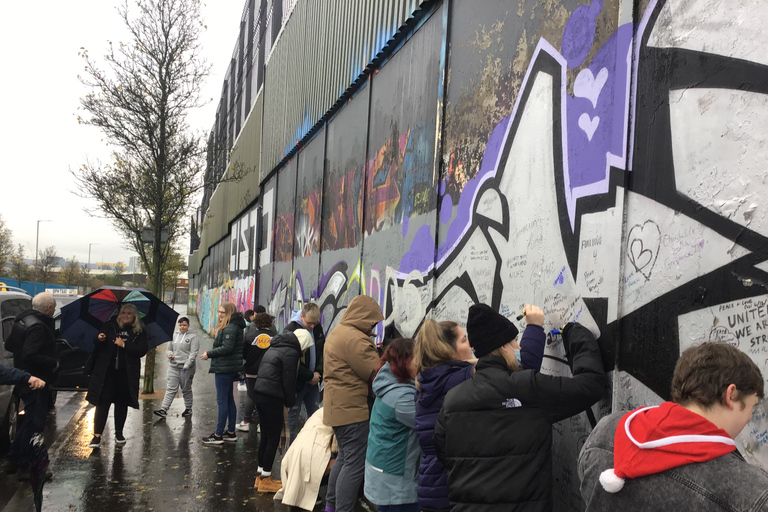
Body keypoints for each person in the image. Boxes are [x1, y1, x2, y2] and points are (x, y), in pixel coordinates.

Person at [433, 306, 605, 512]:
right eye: (515, 341)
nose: (519, 348)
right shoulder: (526, 388)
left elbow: (444, 453)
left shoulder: (452, 399)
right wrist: (574, 333)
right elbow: (590, 386)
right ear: (503, 347)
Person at [579, 342, 768, 511]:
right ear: (731, 395)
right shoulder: (751, 492)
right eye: (752, 406)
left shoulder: (607, 429)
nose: (750, 416)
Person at [323, 294, 384, 512]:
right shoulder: (356, 340)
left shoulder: (340, 331)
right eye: (372, 323)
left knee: (344, 459)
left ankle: (331, 507)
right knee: (354, 464)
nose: (373, 327)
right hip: (353, 412)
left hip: (339, 409)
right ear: (364, 318)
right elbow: (377, 374)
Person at [252, 328, 314, 493]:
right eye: (306, 348)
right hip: (273, 397)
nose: (305, 351)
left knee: (265, 436)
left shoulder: (275, 346)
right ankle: (266, 480)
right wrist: (290, 402)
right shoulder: (291, 353)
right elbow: (288, 381)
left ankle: (260, 477)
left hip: (260, 393)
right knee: (273, 438)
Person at [364, 338, 420, 512]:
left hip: (385, 475)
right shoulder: (401, 396)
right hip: (396, 482)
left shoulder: (389, 382)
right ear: (405, 363)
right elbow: (437, 423)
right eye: (418, 358)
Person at [7, 292, 59, 476]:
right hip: (35, 381)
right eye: (53, 307)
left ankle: (13, 460)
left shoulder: (22, 321)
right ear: (49, 308)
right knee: (34, 424)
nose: (53, 310)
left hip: (23, 377)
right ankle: (26, 465)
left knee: (28, 421)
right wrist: (52, 362)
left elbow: (9, 346)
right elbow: (30, 354)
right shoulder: (38, 327)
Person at [86, 303, 149, 449]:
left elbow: (142, 350)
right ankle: (96, 436)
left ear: (134, 316)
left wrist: (125, 345)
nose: (125, 316)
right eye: (123, 313)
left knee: (121, 403)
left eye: (129, 313)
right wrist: (99, 338)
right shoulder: (109, 325)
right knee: (103, 403)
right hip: (107, 373)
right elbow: (96, 344)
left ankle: (119, 433)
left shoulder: (139, 330)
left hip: (125, 373)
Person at [200, 302, 245, 445]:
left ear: (229, 313)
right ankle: (231, 432)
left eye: (222, 312)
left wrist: (209, 354)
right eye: (219, 312)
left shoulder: (230, 328)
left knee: (222, 401)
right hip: (229, 368)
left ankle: (218, 435)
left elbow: (227, 348)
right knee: (229, 399)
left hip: (224, 368)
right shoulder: (233, 326)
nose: (219, 314)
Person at [276, 407, 338, 510]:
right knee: (342, 464)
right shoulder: (340, 414)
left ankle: (307, 494)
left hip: (292, 457)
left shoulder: (321, 411)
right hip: (310, 459)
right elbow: (337, 448)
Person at [284, 302, 325, 442]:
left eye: (314, 323)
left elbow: (321, 353)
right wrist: (309, 375)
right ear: (301, 316)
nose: (312, 326)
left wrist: (318, 373)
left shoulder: (318, 328)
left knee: (316, 418)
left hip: (314, 382)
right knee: (292, 420)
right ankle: (290, 453)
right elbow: (291, 361)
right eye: (309, 323)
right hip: (297, 383)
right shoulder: (291, 330)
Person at [237, 311, 276, 432]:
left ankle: (246, 422)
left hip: (251, 370)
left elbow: (243, 353)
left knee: (251, 396)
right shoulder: (275, 336)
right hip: (269, 371)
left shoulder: (249, 335)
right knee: (265, 397)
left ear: (256, 323)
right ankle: (262, 424)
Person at [154, 317, 199, 418]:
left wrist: (187, 365)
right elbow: (169, 349)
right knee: (171, 388)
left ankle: (188, 408)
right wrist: (169, 354)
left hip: (186, 369)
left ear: (188, 325)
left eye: (184, 325)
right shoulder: (174, 335)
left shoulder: (193, 337)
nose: (182, 327)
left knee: (186, 389)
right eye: (180, 325)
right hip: (173, 367)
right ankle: (163, 410)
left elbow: (193, 353)